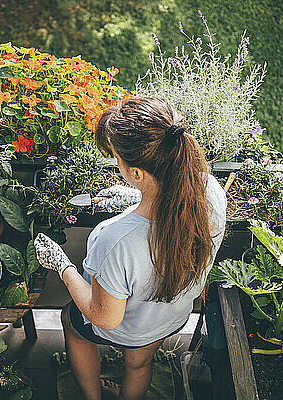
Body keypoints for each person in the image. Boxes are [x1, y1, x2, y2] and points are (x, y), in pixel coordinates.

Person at [34, 96, 227, 400]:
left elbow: (104, 318)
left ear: (137, 173)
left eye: (117, 160)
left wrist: (63, 266)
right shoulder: (210, 190)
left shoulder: (113, 239)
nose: (116, 164)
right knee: (138, 363)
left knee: (71, 324)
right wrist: (135, 196)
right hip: (169, 319)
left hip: (127, 328)